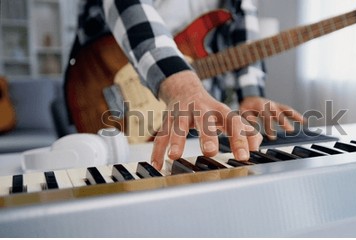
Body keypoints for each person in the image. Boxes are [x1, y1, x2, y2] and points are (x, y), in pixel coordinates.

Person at [67, 0, 304, 170]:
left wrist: (251, 93)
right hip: (103, 73)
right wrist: (182, 86)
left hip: (189, 112)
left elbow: (244, 32)